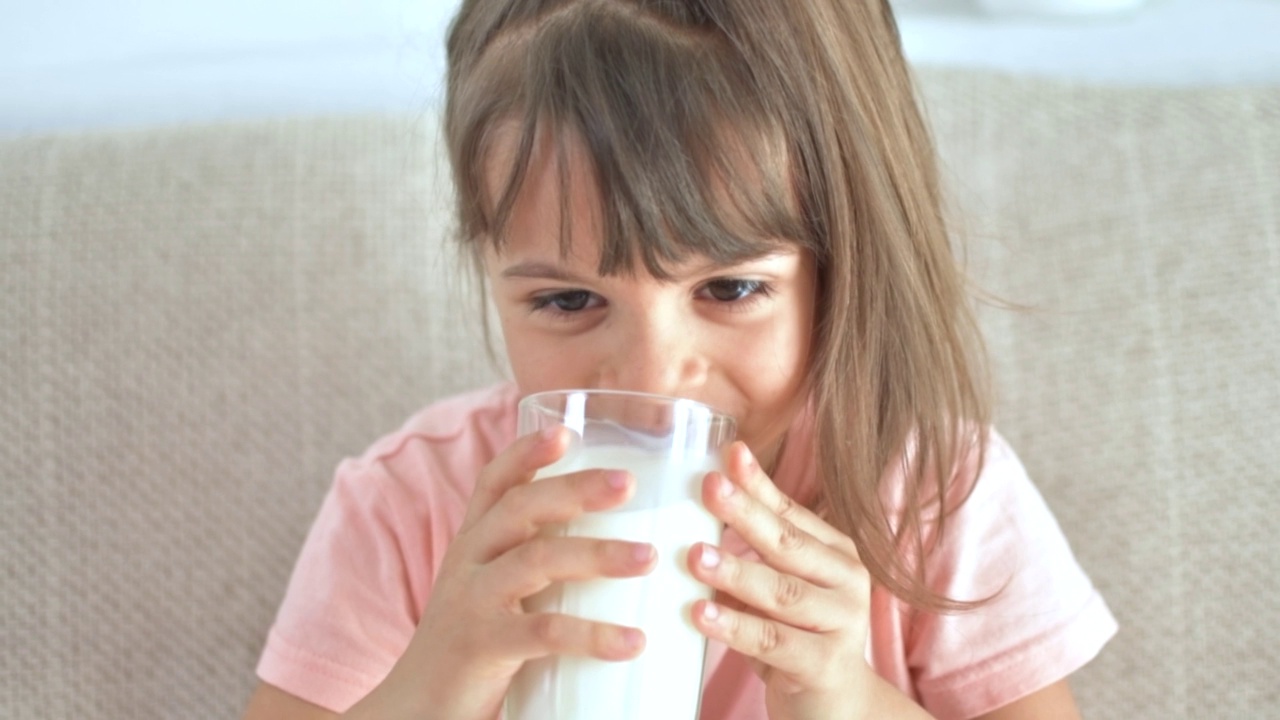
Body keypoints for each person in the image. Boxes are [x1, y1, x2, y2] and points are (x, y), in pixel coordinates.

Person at [242, 0, 1117, 718]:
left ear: (843, 268)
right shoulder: (408, 510)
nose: (651, 380)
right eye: (568, 301)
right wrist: (436, 682)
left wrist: (848, 699)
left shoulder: (933, 498)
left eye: (730, 290)